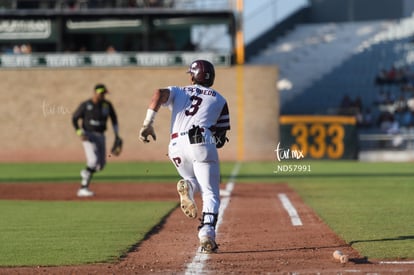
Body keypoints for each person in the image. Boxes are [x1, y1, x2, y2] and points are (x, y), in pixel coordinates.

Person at [139, 60, 230, 253]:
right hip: (200, 140)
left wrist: (148, 123)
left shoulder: (179, 91)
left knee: (190, 178)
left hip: (175, 145)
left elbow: (158, 93)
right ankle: (207, 232)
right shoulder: (220, 99)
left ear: (192, 76)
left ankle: (187, 186)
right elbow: (221, 136)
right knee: (210, 192)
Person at [72, 83, 120, 197]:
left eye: (104, 93)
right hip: (88, 135)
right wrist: (79, 132)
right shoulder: (86, 105)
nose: (103, 95)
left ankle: (86, 172)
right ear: (95, 93)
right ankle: (83, 188)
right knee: (93, 161)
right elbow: (74, 118)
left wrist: (117, 135)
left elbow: (114, 120)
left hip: (101, 135)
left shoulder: (107, 105)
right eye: (101, 93)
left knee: (100, 166)